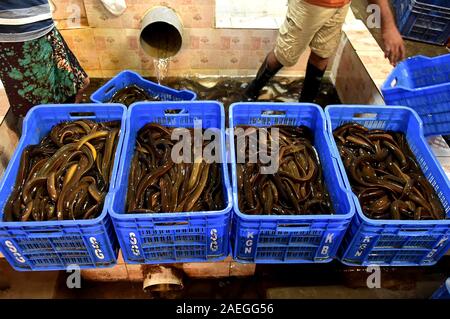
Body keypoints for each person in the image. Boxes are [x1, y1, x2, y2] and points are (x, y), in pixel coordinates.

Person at [244, 0, 406, 102]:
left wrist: (388, 25)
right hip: (308, 5)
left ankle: (306, 105)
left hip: (341, 5)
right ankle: (251, 92)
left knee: (322, 54)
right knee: (285, 55)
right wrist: (388, 25)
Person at [0, 0, 90, 117]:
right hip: (18, 34)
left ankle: (68, 122)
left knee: (81, 83)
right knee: (42, 109)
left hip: (43, 24)